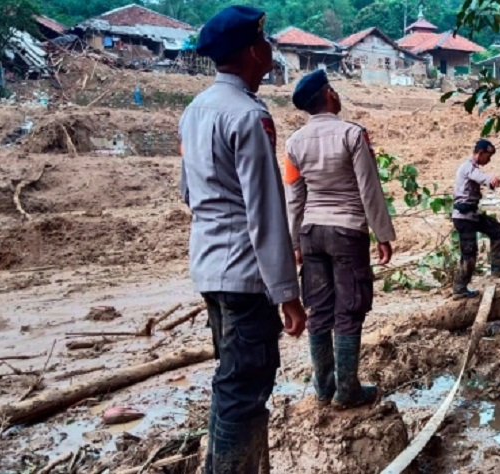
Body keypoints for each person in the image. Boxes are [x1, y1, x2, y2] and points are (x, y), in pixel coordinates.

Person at [178, 5, 306, 473]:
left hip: (209, 268)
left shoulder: (194, 112)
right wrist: (287, 294)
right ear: (254, 51)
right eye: (266, 42)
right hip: (246, 276)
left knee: (230, 381)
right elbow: (265, 211)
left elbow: (188, 190)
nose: (270, 51)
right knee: (245, 387)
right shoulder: (250, 116)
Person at [283, 69, 396, 409]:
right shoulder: (353, 134)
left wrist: (294, 245)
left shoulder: (293, 143)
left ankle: (323, 387)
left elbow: (294, 197)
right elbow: (369, 188)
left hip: (312, 233)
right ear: (329, 94)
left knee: (319, 310)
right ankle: (346, 390)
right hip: (347, 232)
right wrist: (383, 234)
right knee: (349, 310)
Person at [451, 139, 500, 299]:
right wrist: (489, 179)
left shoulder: (472, 167)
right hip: (464, 218)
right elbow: (478, 176)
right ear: (480, 154)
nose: (489, 159)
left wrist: (490, 183)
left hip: (470, 215)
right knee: (469, 254)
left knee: (496, 230)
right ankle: (459, 289)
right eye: (488, 156)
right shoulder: (468, 167)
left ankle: (498, 266)